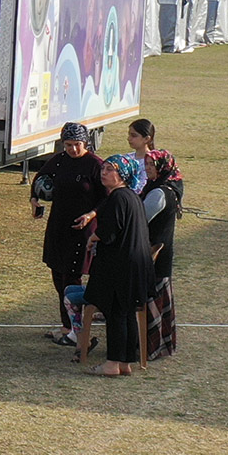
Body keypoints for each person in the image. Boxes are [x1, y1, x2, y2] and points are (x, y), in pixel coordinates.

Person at [32, 124, 107, 346]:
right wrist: (34, 198)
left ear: (85, 143)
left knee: (71, 279)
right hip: (59, 226)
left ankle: (77, 330)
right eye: (68, 145)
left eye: (77, 145)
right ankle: (67, 326)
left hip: (82, 231)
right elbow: (41, 177)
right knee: (57, 275)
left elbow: (107, 197)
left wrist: (91, 214)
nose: (73, 149)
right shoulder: (59, 160)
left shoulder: (95, 165)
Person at [84, 172, 155, 376]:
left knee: (115, 313)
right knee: (126, 313)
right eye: (103, 168)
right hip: (133, 266)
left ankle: (112, 364)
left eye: (109, 169)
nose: (103, 173)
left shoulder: (118, 197)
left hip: (120, 267)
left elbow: (110, 231)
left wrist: (94, 238)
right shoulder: (132, 196)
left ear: (122, 175)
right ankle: (125, 363)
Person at [130, 119, 184, 362]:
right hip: (158, 254)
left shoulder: (159, 194)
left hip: (154, 256)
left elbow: (140, 219)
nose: (148, 168)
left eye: (152, 165)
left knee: (150, 301)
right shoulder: (164, 186)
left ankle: (146, 348)